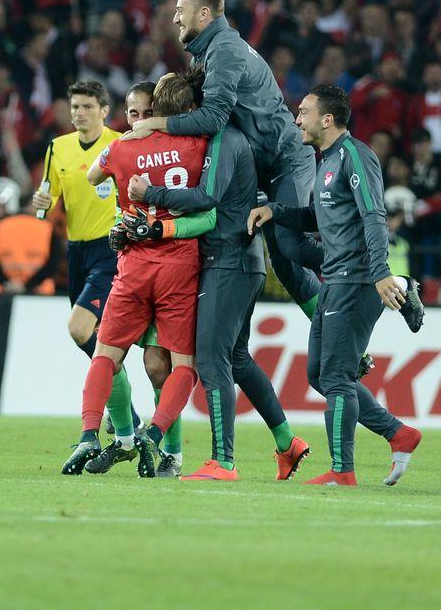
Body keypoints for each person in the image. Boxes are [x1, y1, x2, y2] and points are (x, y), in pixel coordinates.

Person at [127, 84, 310, 481]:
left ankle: (223, 461)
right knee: (237, 359)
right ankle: (287, 442)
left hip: (228, 262)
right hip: (239, 261)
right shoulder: (224, 140)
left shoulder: (225, 141)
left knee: (211, 361)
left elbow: (206, 198)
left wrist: (150, 192)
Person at [248, 85, 423, 486]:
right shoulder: (326, 161)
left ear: (327, 119)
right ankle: (398, 433)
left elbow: (374, 214)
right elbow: (318, 216)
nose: (297, 119)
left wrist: (380, 272)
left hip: (358, 280)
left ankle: (343, 471)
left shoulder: (355, 155)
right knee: (318, 374)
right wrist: (275, 211)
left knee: (337, 377)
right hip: (335, 280)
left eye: (304, 112)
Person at [126, 0, 323, 320]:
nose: (175, 18)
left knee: (290, 247)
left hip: (286, 160)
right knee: (285, 265)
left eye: (181, 10)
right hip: (262, 167)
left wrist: (155, 124)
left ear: (204, 13)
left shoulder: (225, 50)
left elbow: (213, 118)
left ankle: (368, 265)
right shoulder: (206, 55)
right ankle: (336, 335)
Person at [62, 71, 208, 478]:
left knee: (119, 357)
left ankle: (100, 434)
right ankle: (146, 440)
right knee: (179, 365)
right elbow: (210, 208)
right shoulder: (199, 144)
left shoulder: (122, 148)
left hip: (134, 264)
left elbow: (93, 176)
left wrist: (127, 145)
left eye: (146, 112)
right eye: (132, 113)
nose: (139, 119)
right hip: (179, 265)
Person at [31, 82, 142, 452]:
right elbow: (47, 199)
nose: (78, 113)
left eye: (87, 107)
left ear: (104, 110)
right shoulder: (57, 147)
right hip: (76, 252)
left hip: (110, 249)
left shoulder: (120, 144)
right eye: (75, 106)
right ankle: (127, 415)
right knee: (96, 340)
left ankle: (119, 412)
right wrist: (42, 203)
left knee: (79, 328)